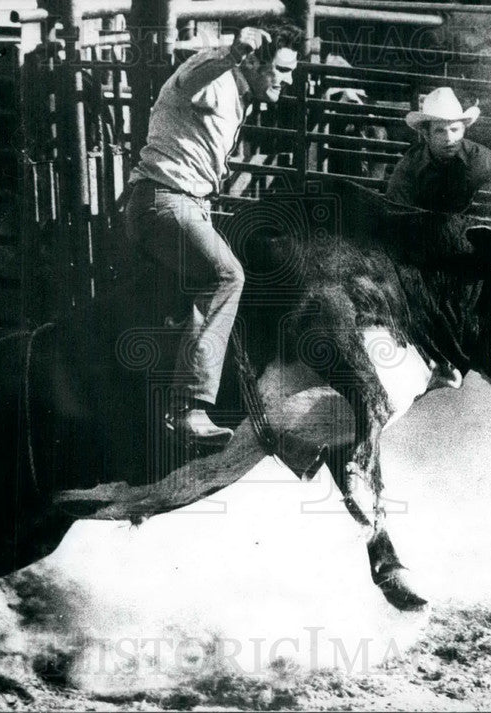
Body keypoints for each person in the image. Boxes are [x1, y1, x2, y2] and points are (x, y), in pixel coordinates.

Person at [125, 18, 306, 447]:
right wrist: (232, 52)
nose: (288, 80)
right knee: (227, 276)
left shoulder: (238, 94)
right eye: (281, 70)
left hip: (183, 206)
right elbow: (191, 78)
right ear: (254, 62)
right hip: (166, 202)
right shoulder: (213, 76)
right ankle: (189, 406)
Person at [384, 87, 491, 214]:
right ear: (427, 135)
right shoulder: (410, 166)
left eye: (454, 130)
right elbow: (395, 211)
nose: (449, 138)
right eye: (440, 131)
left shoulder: (475, 155)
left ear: (463, 131)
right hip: (418, 229)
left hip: (459, 227)